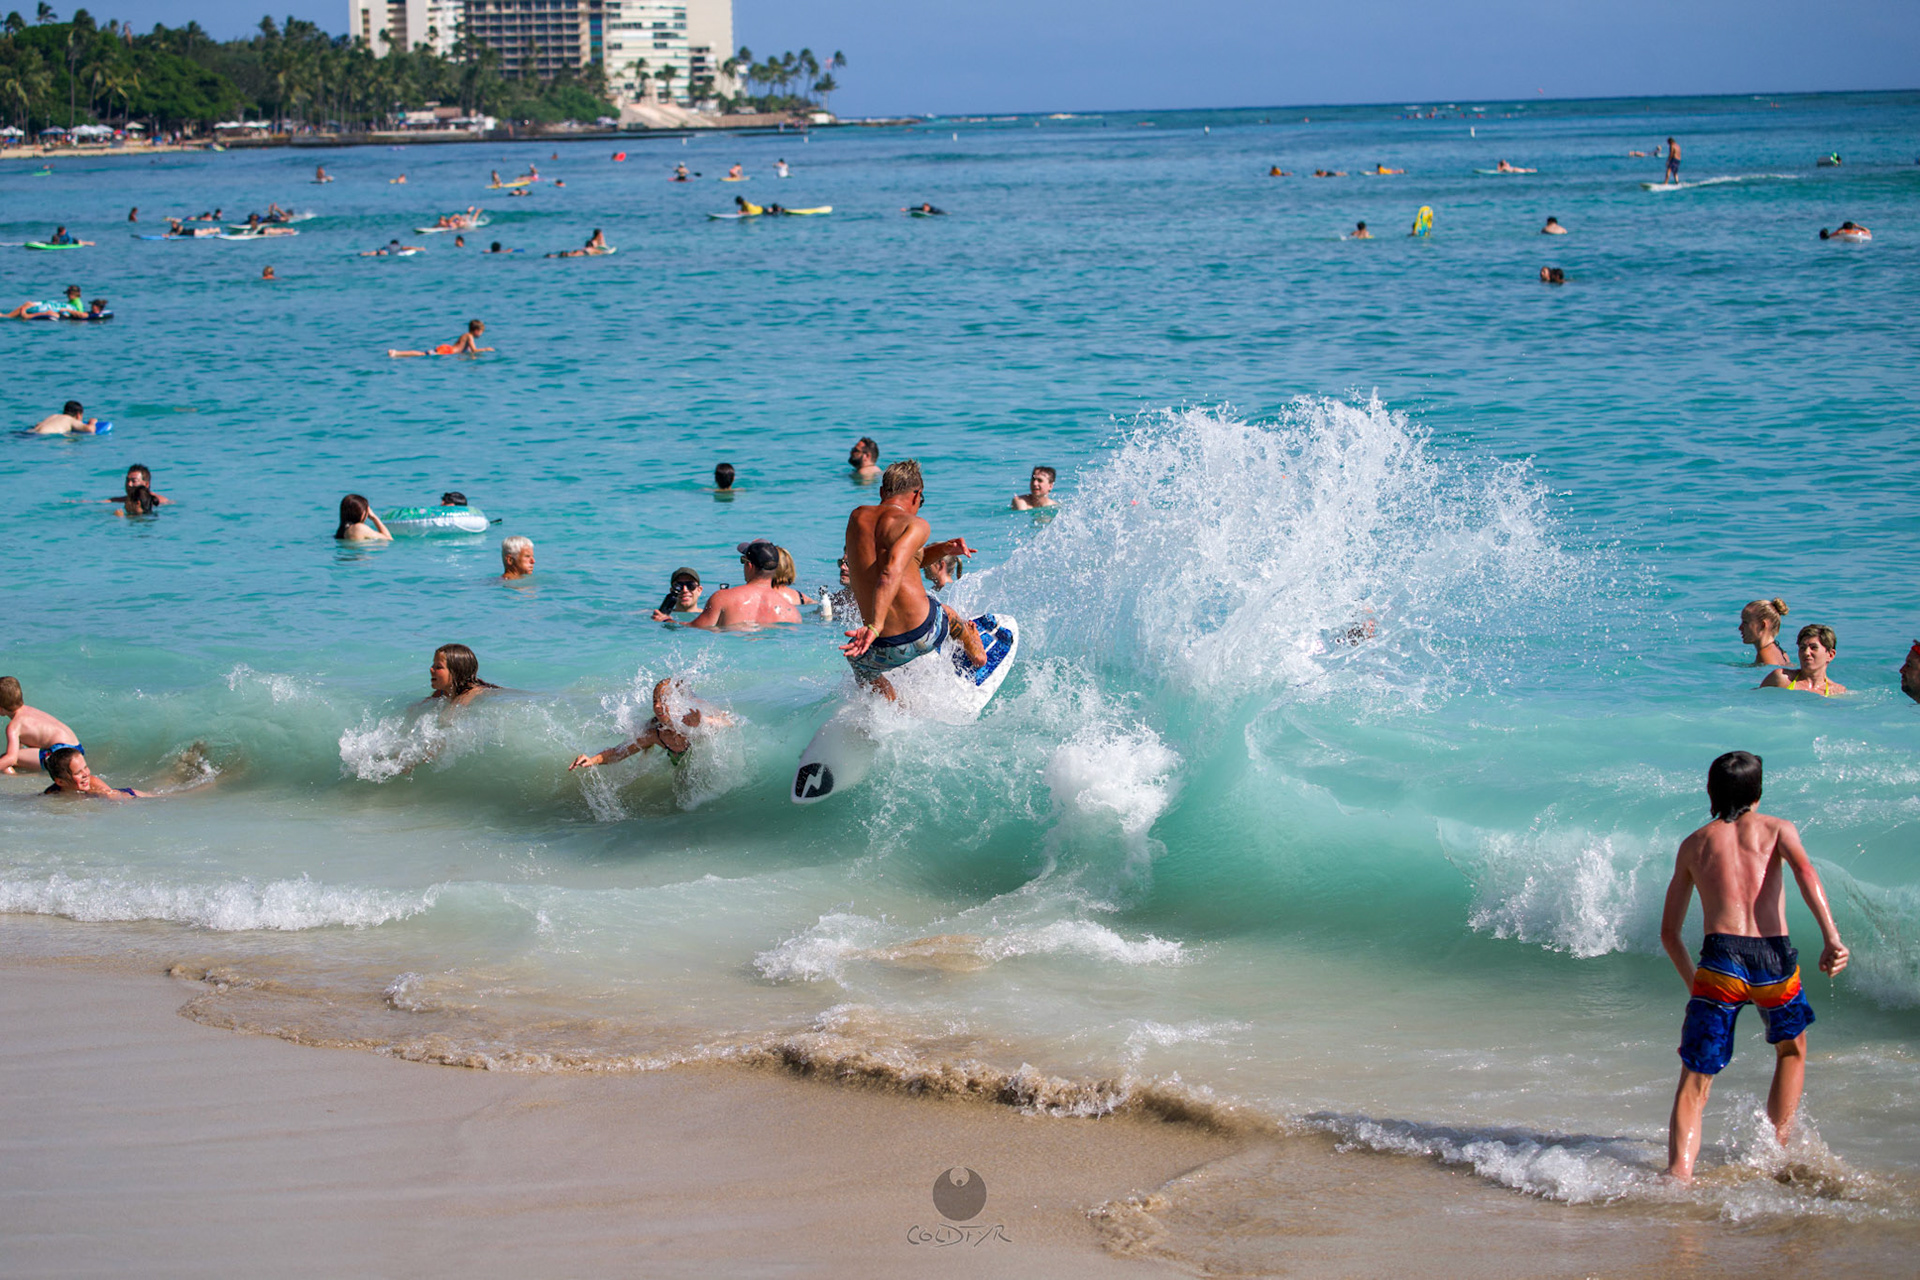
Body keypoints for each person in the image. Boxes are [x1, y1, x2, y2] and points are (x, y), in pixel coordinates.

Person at [1660, 751, 1847, 1180]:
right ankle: (1771, 1153)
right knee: (1792, 1050)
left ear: (1711, 791)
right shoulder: (1778, 829)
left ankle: (1678, 1177)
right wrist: (1831, 937)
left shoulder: (1694, 844)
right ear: (1758, 791)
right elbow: (1806, 872)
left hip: (1719, 962)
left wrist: (1697, 986)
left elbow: (1669, 934)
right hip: (1773, 959)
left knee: (1696, 1075)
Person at [840, 460, 987, 700]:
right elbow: (890, 572)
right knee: (947, 613)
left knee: (860, 667)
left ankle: (893, 708)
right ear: (917, 494)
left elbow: (901, 563)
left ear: (881, 492)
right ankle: (978, 655)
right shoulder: (916, 524)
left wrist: (944, 549)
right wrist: (875, 625)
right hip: (924, 634)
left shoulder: (856, 517)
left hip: (883, 649)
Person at [570, 679, 732, 772]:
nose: (657, 706)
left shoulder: (691, 723)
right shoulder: (655, 734)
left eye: (664, 701)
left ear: (678, 704)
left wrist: (702, 722)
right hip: (680, 762)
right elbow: (617, 753)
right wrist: (592, 760)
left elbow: (728, 723)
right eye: (655, 701)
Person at [681, 541, 802, 629]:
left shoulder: (723, 598)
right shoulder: (792, 613)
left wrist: (667, 620)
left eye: (743, 561)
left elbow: (694, 629)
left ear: (749, 566)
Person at [0, 676, 82, 775]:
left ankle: (16, 784)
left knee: (4, 761)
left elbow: (11, 759)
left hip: (61, 755)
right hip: (77, 749)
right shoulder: (30, 711)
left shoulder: (13, 726)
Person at [1760, 625, 1847, 696]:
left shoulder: (1837, 691)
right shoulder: (1782, 678)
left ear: (1830, 655)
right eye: (1802, 648)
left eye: (1813, 648)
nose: (1806, 653)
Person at [40, 746, 147, 798]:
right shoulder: (53, 791)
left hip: (131, 795)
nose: (86, 774)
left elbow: (113, 797)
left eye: (85, 767)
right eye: (78, 773)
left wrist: (100, 793)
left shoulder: (93, 784)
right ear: (60, 782)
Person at [427, 643, 499, 706]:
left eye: (438, 667)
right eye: (433, 664)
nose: (431, 669)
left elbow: (447, 719)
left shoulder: (467, 695)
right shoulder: (443, 692)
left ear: (456, 672)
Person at [389, 319, 491, 358]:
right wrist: (486, 349)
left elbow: (468, 352)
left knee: (422, 354)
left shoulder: (465, 335)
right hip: (447, 350)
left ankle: (396, 353)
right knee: (422, 354)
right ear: (477, 331)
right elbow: (474, 350)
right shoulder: (469, 336)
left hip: (447, 349)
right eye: (481, 332)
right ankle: (396, 353)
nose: (481, 334)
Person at [1739, 598, 1791, 666]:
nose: (1740, 628)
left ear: (1762, 625)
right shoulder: (1782, 653)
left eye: (1745, 623)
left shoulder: (1764, 655)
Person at [99, 464, 172, 506]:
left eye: (134, 481)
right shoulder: (122, 500)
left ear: (146, 484)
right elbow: (97, 503)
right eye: (127, 480)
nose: (129, 484)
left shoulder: (161, 502)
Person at [7, 285, 85, 320]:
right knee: (28, 303)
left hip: (57, 311)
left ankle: (12, 316)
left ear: (74, 294)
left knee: (48, 312)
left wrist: (67, 311)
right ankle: (9, 315)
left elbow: (80, 314)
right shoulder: (73, 301)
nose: (67, 295)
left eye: (69, 293)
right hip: (54, 306)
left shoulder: (78, 303)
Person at [28, 400, 102, 435]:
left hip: (29, 432)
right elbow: (90, 430)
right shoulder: (71, 420)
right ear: (78, 415)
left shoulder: (54, 416)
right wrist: (92, 422)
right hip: (40, 436)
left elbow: (38, 424)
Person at [546, 229, 610, 258]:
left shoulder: (595, 242)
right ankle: (553, 256)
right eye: (601, 235)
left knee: (570, 254)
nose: (602, 236)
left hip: (585, 252)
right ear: (598, 235)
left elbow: (603, 247)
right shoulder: (592, 242)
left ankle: (553, 256)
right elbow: (603, 247)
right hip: (586, 252)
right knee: (570, 255)